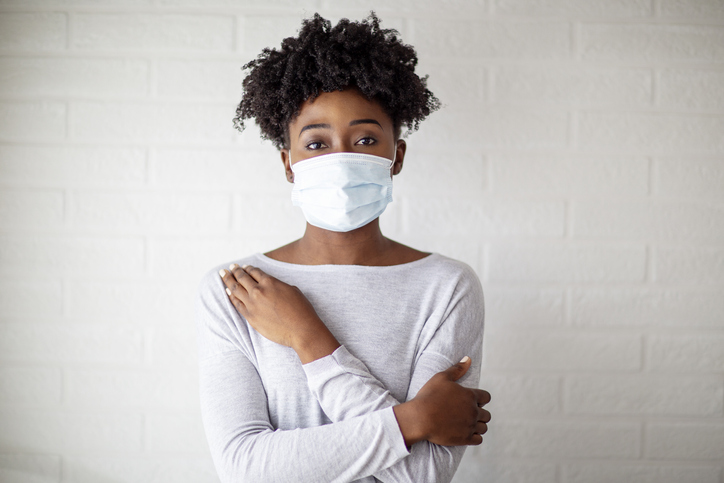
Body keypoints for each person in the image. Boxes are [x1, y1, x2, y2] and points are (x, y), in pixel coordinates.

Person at [196, 12, 490, 483]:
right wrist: (413, 421)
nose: (340, 158)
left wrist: (308, 339)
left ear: (397, 155)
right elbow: (245, 467)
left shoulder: (447, 287)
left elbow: (422, 475)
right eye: (316, 143)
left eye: (366, 138)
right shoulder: (237, 290)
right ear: (288, 163)